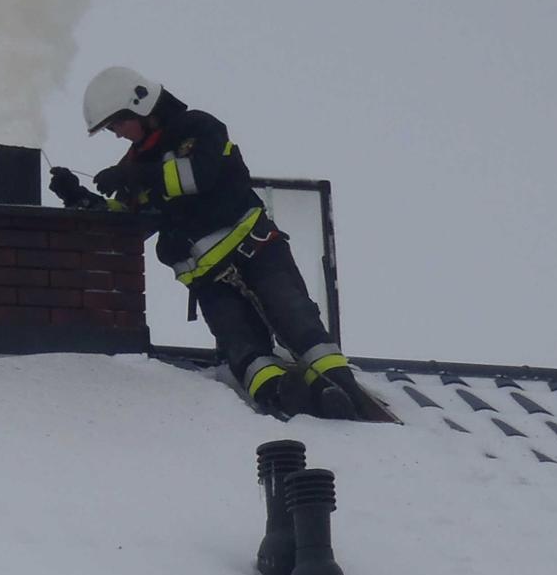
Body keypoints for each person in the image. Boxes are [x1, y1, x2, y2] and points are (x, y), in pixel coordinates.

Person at [50, 65, 368, 421]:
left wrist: (135, 175)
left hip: (257, 250)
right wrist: (81, 199)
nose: (116, 134)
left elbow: (199, 175)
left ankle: (343, 389)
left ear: (138, 107)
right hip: (209, 281)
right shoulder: (136, 163)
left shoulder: (198, 128)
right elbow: (129, 222)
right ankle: (283, 397)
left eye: (117, 125)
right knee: (244, 351)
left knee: (296, 320)